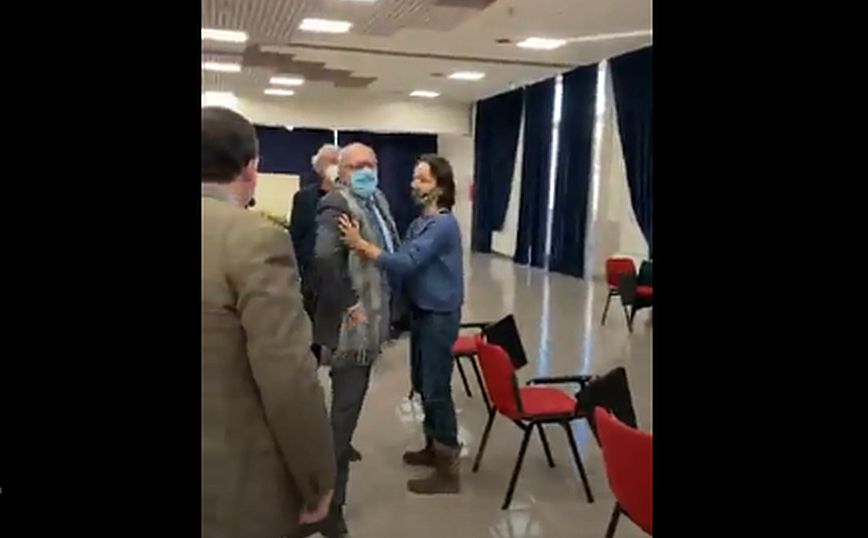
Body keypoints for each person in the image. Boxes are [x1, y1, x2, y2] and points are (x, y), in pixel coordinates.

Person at [201, 107, 336, 538]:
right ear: (251, 168)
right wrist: (317, 479)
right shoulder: (254, 239)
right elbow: (287, 376)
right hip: (230, 487)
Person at [339, 154, 464, 495]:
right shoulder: (421, 222)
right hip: (423, 312)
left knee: (436, 388)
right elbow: (399, 252)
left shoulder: (443, 225)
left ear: (440, 187)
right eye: (414, 177)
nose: (414, 184)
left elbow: (407, 261)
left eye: (422, 179)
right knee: (422, 382)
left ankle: (448, 467)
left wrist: (361, 245)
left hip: (439, 315)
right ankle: (433, 446)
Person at [304, 142, 401, 537]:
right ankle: (328, 506)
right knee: (342, 420)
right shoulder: (336, 205)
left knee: (346, 415)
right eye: (357, 166)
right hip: (352, 330)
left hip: (375, 323)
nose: (366, 171)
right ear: (340, 172)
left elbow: (388, 249)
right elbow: (324, 258)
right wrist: (349, 302)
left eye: (371, 164)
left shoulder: (377, 199)